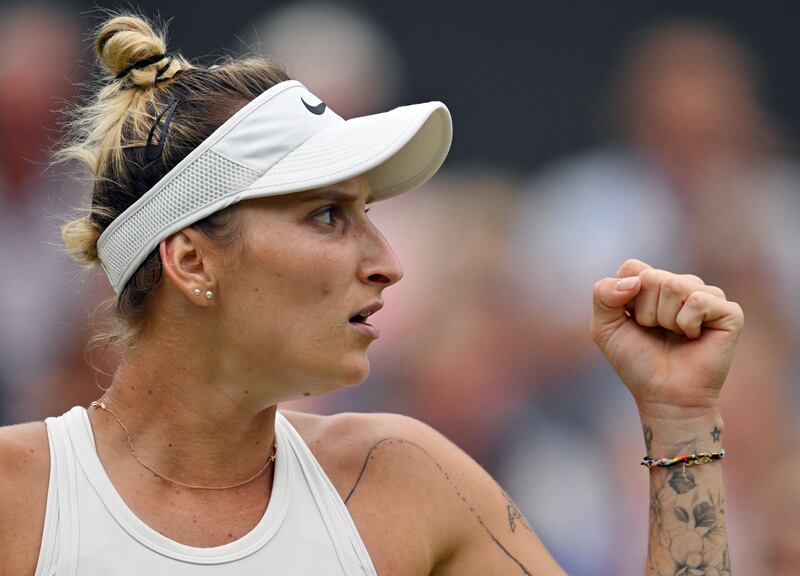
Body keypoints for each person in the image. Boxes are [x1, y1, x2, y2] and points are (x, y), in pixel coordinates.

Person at [0, 14, 742, 575]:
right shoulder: (15, 498)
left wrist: (680, 422)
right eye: (328, 215)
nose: (387, 263)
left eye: (369, 215)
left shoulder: (408, 479)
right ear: (193, 261)